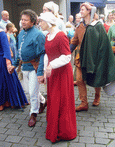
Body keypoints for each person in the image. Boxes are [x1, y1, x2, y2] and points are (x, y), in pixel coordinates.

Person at [39, 12, 77, 143]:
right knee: (54, 98)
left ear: (49, 22)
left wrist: (52, 66)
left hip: (62, 73)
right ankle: (54, 125)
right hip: (53, 72)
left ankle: (64, 130)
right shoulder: (48, 35)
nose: (40, 24)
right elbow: (47, 55)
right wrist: (45, 70)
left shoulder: (61, 35)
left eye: (41, 22)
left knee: (62, 99)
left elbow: (67, 56)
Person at [10, 9, 46, 127]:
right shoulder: (21, 33)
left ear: (33, 21)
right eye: (22, 19)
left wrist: (40, 72)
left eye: (26, 20)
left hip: (34, 67)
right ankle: (43, 101)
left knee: (32, 92)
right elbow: (18, 53)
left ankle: (33, 114)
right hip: (24, 67)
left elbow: (42, 55)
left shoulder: (38, 34)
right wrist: (14, 65)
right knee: (29, 90)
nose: (23, 22)